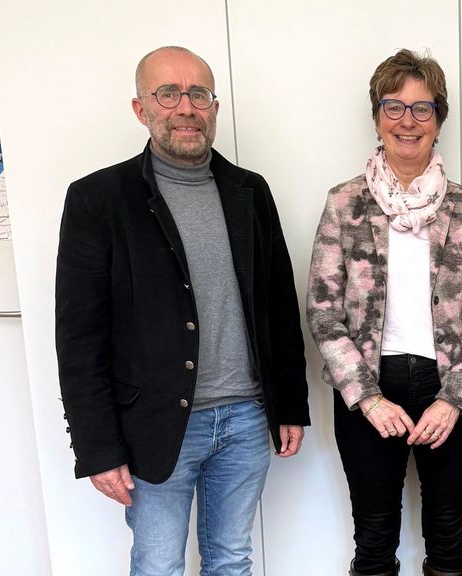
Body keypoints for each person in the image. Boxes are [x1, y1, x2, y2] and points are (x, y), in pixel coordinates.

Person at [55, 46, 310, 575]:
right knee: (158, 565)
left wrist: (291, 405)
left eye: (199, 94)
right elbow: (79, 337)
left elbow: (279, 306)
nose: (186, 107)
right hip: (152, 426)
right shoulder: (98, 199)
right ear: (140, 107)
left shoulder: (250, 191)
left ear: (214, 106)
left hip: (245, 419)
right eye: (167, 94)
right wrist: (96, 446)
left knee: (232, 559)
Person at [307, 49, 462, 576]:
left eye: (422, 109)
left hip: (450, 389)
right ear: (376, 117)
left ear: (438, 121)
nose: (407, 121)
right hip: (369, 388)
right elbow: (323, 310)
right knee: (373, 541)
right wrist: (367, 398)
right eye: (394, 106)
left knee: (448, 537)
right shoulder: (344, 203)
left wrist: (454, 400)